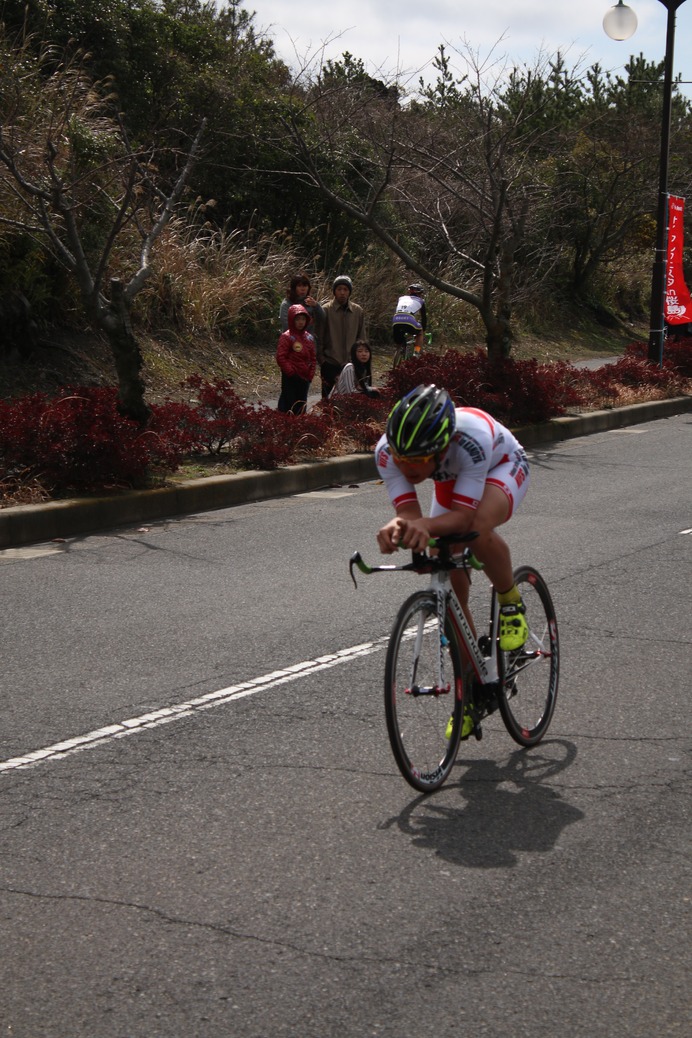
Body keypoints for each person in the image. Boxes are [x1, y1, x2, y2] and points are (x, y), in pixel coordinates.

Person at [375, 384, 530, 655]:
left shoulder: (472, 440)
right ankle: (472, 678)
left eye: (418, 459)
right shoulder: (387, 452)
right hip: (451, 476)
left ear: (441, 450)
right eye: (401, 459)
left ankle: (510, 601)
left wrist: (425, 525)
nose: (407, 467)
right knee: (445, 568)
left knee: (476, 528)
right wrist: (397, 525)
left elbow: (463, 518)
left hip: (501, 464)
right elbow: (410, 515)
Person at [319, 275, 365, 398]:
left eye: (345, 289)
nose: (342, 293)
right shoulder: (326, 310)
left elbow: (362, 339)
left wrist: (360, 361)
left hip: (351, 365)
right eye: (339, 289)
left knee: (349, 402)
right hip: (330, 363)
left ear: (349, 292)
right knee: (328, 402)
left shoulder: (357, 311)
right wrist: (322, 361)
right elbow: (319, 338)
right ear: (334, 291)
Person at [275, 304, 316, 415]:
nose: (301, 322)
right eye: (297, 319)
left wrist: (310, 375)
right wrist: (291, 372)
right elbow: (281, 357)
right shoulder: (286, 336)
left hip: (304, 378)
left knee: (301, 406)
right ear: (291, 320)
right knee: (288, 405)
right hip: (290, 378)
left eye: (303, 319)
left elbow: (313, 358)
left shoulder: (309, 337)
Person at [279, 273, 325, 349]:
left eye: (305, 286)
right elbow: (286, 325)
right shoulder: (287, 304)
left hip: (309, 343)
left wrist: (316, 306)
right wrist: (307, 323)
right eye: (299, 286)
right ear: (294, 288)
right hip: (291, 343)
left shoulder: (310, 303)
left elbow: (322, 319)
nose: (303, 289)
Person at [392, 283, 427, 356]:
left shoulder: (401, 298)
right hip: (409, 319)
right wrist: (423, 328)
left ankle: (399, 352)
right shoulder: (421, 300)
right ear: (420, 293)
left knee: (399, 341)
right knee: (420, 332)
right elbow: (424, 318)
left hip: (396, 319)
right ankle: (416, 352)